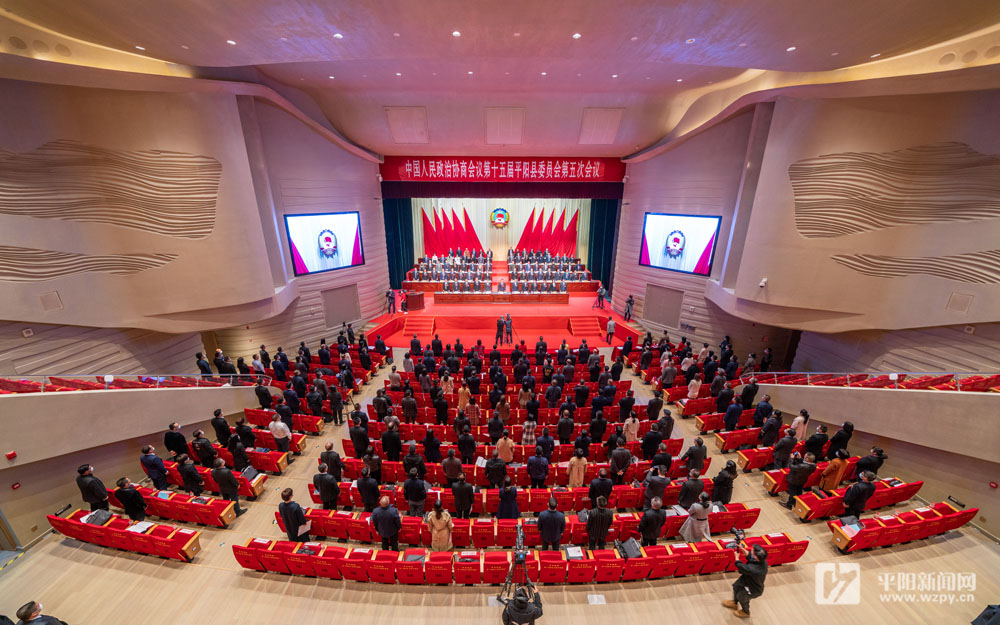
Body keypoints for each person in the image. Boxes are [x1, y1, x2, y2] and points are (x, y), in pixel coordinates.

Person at [722, 544, 769, 618]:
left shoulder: (754, 569)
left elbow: (741, 567)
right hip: (747, 579)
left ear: (756, 557)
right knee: (736, 587)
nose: (751, 550)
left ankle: (746, 612)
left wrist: (736, 557)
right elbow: (750, 555)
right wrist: (741, 548)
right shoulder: (760, 560)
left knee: (741, 597)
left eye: (753, 551)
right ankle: (734, 603)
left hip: (753, 588)